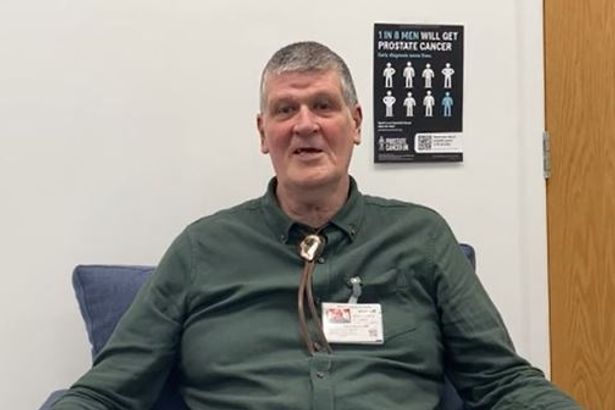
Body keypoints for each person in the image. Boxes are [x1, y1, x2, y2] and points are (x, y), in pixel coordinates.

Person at [52, 41, 579, 409]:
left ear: (356, 124)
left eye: (323, 105)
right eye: (285, 110)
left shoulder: (422, 239)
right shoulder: (201, 249)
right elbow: (106, 392)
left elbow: (502, 381)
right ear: (264, 133)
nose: (305, 124)